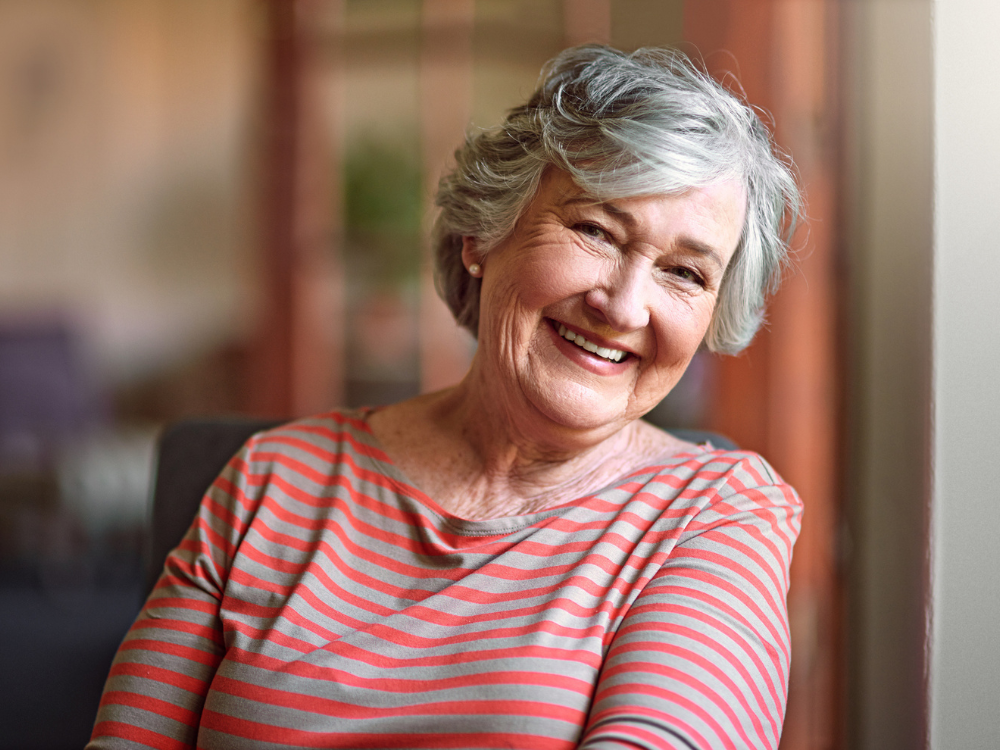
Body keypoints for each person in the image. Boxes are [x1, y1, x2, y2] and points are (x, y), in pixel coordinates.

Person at [89, 45, 802, 750]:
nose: (623, 306)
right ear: (481, 237)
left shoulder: (716, 517)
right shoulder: (270, 480)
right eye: (594, 230)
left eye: (683, 273)